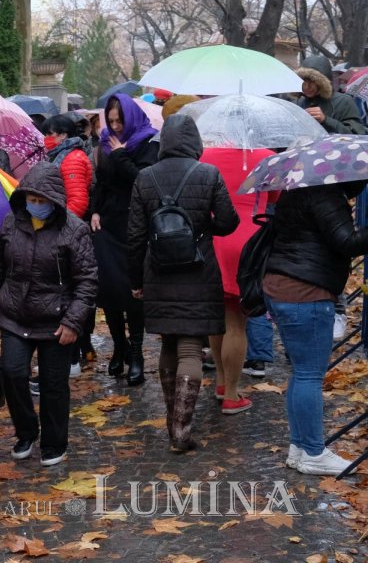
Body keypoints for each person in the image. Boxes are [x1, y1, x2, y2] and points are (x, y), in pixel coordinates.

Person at [127, 115, 239, 453]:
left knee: (168, 344)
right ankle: (181, 431)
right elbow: (230, 222)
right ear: (195, 142)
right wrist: (203, 231)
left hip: (157, 271)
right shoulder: (208, 174)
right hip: (198, 269)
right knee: (191, 345)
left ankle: (172, 422)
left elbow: (134, 236)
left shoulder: (144, 177)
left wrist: (136, 280)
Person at [0, 162, 97, 467]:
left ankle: (54, 442)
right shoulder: (11, 224)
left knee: (53, 384)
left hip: (56, 322)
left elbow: (86, 281)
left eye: (42, 200)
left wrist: (73, 322)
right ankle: (26, 431)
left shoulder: (74, 230)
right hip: (15, 316)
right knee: (12, 372)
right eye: (31, 199)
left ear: (55, 200)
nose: (36, 205)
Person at [262, 180, 368, 475]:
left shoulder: (297, 189)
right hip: (306, 292)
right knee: (310, 374)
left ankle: (300, 447)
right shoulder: (325, 195)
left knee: (301, 372)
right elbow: (347, 242)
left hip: (281, 286)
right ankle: (313, 452)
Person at [87, 93, 160, 386]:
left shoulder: (147, 142)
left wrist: (121, 154)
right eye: (111, 121)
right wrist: (93, 210)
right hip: (107, 223)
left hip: (135, 223)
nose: (115, 127)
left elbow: (143, 181)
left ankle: (137, 353)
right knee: (109, 290)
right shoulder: (105, 141)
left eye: (120, 121)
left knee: (133, 291)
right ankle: (119, 346)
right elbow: (102, 182)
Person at [198, 147, 276, 415]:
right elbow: (275, 195)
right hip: (249, 242)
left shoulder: (206, 155)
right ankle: (231, 393)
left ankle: (221, 381)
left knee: (219, 316)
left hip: (214, 238)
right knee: (236, 322)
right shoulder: (265, 156)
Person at [42, 114, 96, 373]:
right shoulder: (60, 156)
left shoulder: (72, 158)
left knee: (69, 295)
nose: (47, 139)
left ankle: (71, 358)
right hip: (63, 232)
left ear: (62, 134)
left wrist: (58, 231)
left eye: (50, 134)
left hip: (67, 236)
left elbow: (77, 202)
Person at [294, 55, 367, 135]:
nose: (307, 87)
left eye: (312, 81)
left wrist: (325, 120)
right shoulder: (296, 104)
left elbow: (357, 134)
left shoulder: (344, 101)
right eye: (303, 82)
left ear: (323, 82)